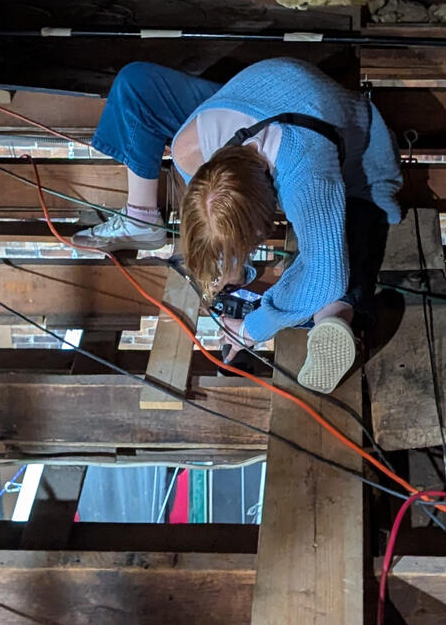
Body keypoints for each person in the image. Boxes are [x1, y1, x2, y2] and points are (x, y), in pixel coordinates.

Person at [76, 58, 402, 393]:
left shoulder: (305, 172)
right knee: (137, 83)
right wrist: (224, 263)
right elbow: (213, 209)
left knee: (347, 235)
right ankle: (329, 319)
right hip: (273, 100)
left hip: (358, 149)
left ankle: (333, 318)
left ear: (269, 211)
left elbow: (324, 272)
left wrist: (252, 329)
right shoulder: (189, 149)